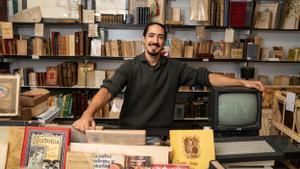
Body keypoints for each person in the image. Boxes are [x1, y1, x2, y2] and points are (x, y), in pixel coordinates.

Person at [72, 22, 264, 137]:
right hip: (130, 133)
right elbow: (108, 90)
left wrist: (243, 82)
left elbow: (208, 78)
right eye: (151, 36)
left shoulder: (175, 68)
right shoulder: (129, 67)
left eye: (160, 37)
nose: (155, 41)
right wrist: (88, 113)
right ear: (143, 39)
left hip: (159, 136)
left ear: (164, 42)